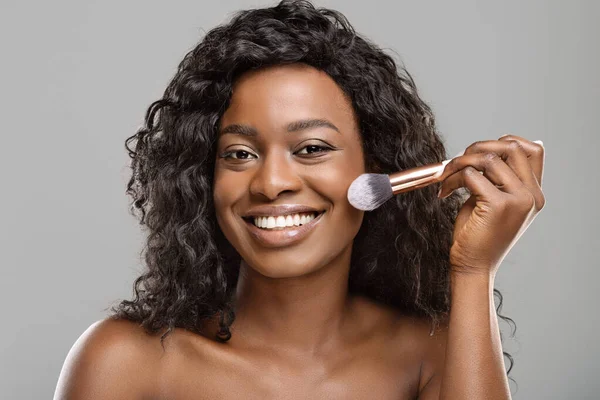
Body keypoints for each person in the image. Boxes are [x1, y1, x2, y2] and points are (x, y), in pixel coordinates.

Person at [54, 1, 545, 399]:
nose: (271, 183)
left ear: (376, 169)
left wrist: (473, 271)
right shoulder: (126, 362)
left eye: (311, 149)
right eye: (240, 153)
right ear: (204, 177)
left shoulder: (428, 355)